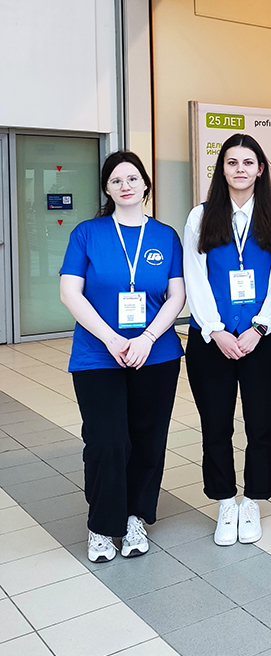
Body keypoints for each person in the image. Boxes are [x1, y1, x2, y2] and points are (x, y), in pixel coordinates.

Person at [60, 151, 185, 563]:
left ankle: (134, 516)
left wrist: (147, 337)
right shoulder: (87, 233)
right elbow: (70, 292)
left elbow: (177, 295)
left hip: (156, 353)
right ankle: (101, 524)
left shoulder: (165, 235)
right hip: (98, 355)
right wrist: (112, 339)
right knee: (106, 440)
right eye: (116, 180)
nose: (125, 186)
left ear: (145, 184)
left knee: (148, 439)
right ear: (107, 189)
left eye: (132, 178)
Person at [183, 133, 271, 545]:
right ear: (222, 169)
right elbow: (194, 276)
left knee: (261, 425)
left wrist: (259, 327)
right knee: (216, 425)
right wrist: (215, 330)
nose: (240, 169)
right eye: (232, 162)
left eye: (248, 162)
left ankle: (253, 502)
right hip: (212, 343)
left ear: (260, 169)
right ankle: (226, 502)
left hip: (261, 341)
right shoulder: (201, 216)